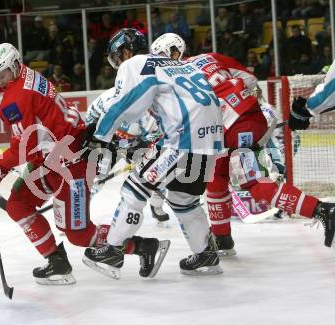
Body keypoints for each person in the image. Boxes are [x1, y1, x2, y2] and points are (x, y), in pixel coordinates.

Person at [0, 43, 161, 284]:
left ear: (15, 66)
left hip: (71, 163)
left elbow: (23, 147)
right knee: (18, 204)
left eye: (1, 75)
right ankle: (56, 262)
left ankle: (143, 246)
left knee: (79, 234)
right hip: (54, 157)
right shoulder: (25, 73)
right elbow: (7, 89)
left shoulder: (15, 99)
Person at [151, 33, 335, 255]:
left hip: (224, 130)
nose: (161, 61)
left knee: (236, 181)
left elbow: (179, 118)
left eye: (162, 55)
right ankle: (224, 239)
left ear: (175, 52)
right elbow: (250, 81)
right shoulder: (211, 57)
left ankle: (322, 210)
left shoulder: (170, 78)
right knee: (229, 178)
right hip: (249, 119)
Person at [83, 28, 225, 278]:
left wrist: (98, 136)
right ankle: (206, 255)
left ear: (125, 51)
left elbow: (125, 104)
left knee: (134, 188)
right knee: (183, 199)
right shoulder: (179, 65)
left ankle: (113, 251)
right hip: (211, 142)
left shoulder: (138, 62)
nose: (118, 65)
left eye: (118, 58)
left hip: (183, 141)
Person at [85, 87, 170, 224]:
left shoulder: (150, 113)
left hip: (135, 143)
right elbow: (91, 116)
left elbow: (157, 134)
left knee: (157, 173)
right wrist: (94, 135)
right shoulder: (108, 99)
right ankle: (81, 212)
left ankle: (157, 205)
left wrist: (142, 145)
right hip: (109, 140)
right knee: (95, 177)